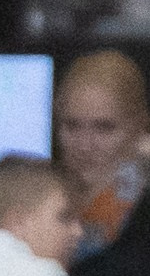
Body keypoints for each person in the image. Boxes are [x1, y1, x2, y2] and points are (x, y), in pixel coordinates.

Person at [55, 50, 148, 263]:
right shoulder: (38, 195)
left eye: (104, 128)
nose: (85, 145)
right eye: (71, 125)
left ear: (139, 127)